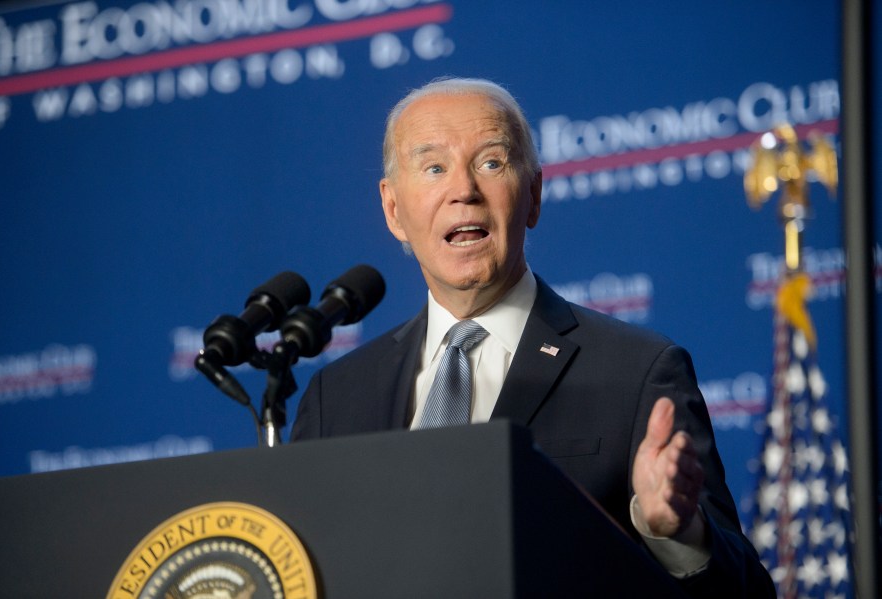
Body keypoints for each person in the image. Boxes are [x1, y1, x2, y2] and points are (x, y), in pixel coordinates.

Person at [291, 77, 775, 597]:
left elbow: (744, 592)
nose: (464, 190)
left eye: (491, 163)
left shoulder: (637, 371)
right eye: (434, 167)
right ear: (393, 211)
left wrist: (675, 534)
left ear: (534, 194)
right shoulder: (335, 397)